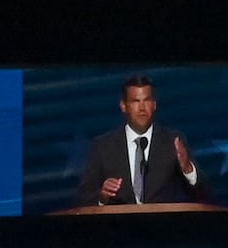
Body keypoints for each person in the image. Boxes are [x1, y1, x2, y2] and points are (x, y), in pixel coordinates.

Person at [71, 76, 200, 208]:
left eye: (147, 100)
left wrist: (188, 170)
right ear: (123, 106)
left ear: (154, 105)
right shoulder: (103, 146)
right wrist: (102, 196)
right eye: (135, 101)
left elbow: (202, 195)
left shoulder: (173, 142)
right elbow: (83, 197)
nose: (142, 108)